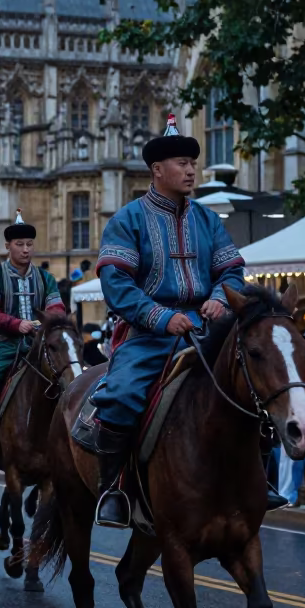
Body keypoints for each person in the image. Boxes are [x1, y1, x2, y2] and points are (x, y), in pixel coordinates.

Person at [91, 115, 250, 528]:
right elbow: (117, 283)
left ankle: (255, 480)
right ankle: (113, 488)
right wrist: (163, 317)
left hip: (208, 331)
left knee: (253, 388)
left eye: (192, 163)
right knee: (122, 395)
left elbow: (231, 271)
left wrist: (218, 298)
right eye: (182, 163)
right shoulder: (128, 219)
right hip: (147, 336)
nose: (191, 170)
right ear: (157, 170)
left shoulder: (208, 220)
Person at [0, 211, 64, 460]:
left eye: (29, 244)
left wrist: (41, 323)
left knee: (66, 375)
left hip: (39, 343)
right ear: (8, 246)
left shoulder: (46, 279)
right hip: (3, 343)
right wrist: (17, 325)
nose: (26, 250)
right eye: (20, 244)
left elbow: (57, 309)